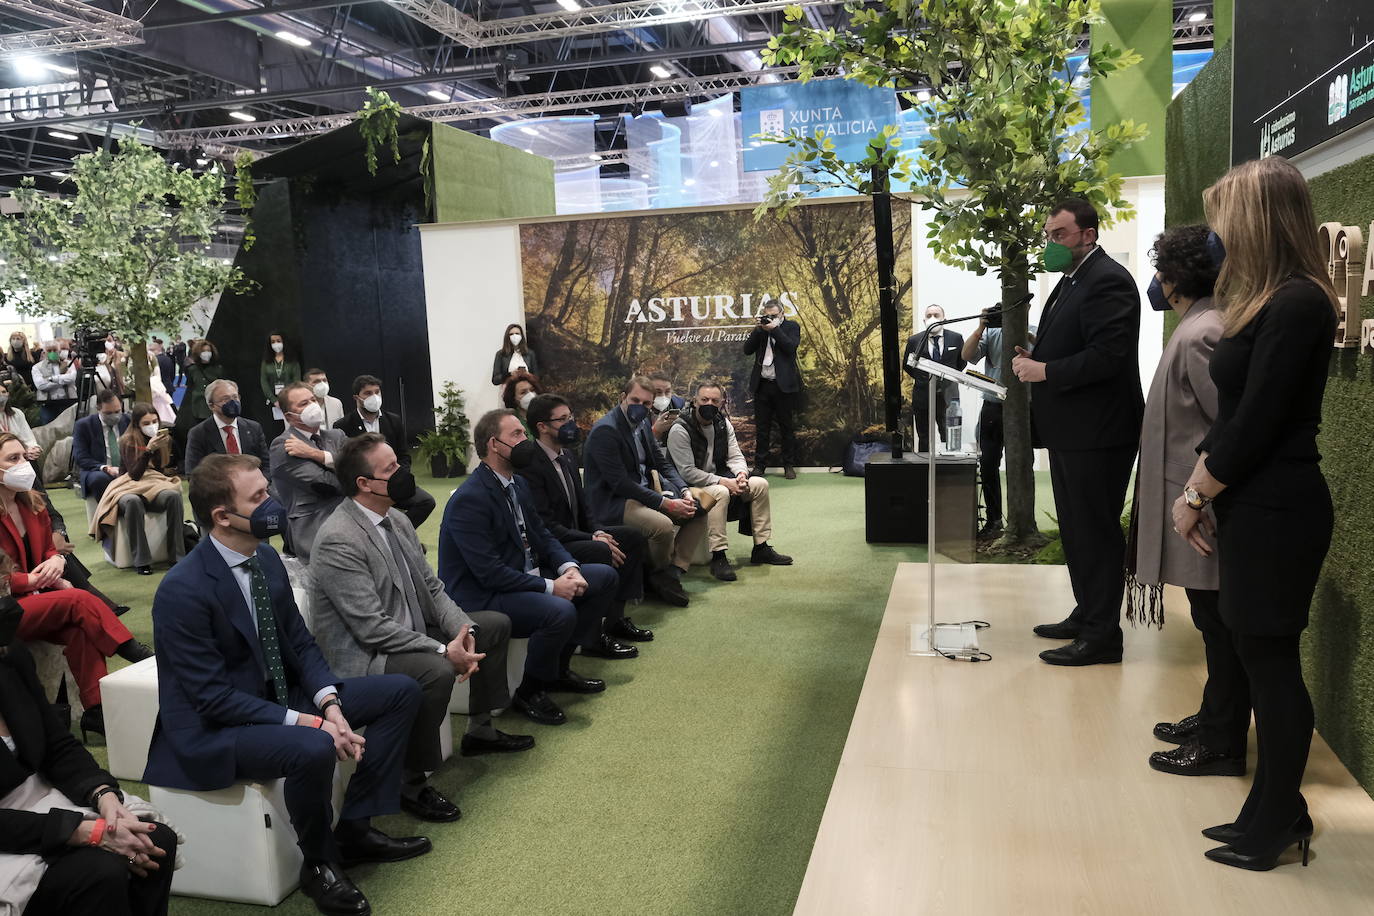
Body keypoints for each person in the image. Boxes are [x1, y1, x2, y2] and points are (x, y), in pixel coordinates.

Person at [145, 454, 435, 916]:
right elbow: (211, 697)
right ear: (222, 517)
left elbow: (299, 642)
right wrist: (309, 722)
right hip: (214, 727)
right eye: (259, 497)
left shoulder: (264, 558)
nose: (273, 503)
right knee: (311, 747)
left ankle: (355, 827)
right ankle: (319, 864)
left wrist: (331, 705)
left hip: (275, 696)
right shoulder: (182, 590)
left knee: (400, 691)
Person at [1172, 157, 1338, 872]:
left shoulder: (1301, 303)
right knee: (1255, 653)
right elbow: (1235, 413)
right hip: (1254, 506)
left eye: (1225, 219)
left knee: (1271, 664)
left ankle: (1278, 817)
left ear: (1258, 220)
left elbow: (1261, 420)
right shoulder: (1267, 301)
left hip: (1279, 508)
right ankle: (1274, 805)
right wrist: (1206, 485)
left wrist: (1194, 493)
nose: (1218, 236)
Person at [311, 433, 534, 817]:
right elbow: (371, 627)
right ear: (364, 484)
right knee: (436, 669)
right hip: (369, 654)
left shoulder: (395, 518)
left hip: (412, 630)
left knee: (491, 625)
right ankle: (410, 782)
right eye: (391, 469)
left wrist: (463, 632)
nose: (403, 474)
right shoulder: (338, 539)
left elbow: (432, 588)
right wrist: (442, 649)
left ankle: (480, 728)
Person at [1125, 226, 1241, 780]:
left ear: (1172, 278)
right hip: (1191, 502)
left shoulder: (1202, 333)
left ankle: (1222, 740)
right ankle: (1215, 718)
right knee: (1209, 619)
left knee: (1219, 623)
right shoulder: (1198, 325)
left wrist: (1195, 497)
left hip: (1202, 508)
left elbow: (1226, 428)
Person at [1015, 198, 1143, 666]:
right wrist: (1036, 355)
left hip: (1100, 432)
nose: (1051, 243)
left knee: (1095, 531)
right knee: (1077, 529)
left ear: (1088, 234)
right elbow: (1077, 343)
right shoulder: (1074, 279)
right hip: (1075, 430)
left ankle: (1102, 636)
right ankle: (1088, 613)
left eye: (1060, 235)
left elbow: (1109, 356)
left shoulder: (1108, 280)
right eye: (1048, 235)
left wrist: (1045, 370)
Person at [438, 409, 619, 727]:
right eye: (517, 435)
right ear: (494, 445)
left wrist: (568, 567)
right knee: (559, 611)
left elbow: (543, 535)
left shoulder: (517, 485)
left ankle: (558, 670)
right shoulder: (470, 498)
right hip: (482, 594)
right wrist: (552, 587)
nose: (527, 441)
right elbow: (489, 573)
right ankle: (529, 691)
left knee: (602, 577)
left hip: (521, 577)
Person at [0, 634, 176, 916]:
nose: (8, 589)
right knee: (100, 872)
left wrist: (104, 796)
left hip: (34, 798)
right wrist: (83, 831)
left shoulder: (9, 652)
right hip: (10, 829)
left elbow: (56, 744)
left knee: (155, 840)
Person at [0, 432, 153, 741]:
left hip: (36, 600)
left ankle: (95, 712)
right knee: (75, 600)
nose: (23, 465)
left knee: (78, 629)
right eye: (12, 459)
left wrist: (55, 560)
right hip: (6, 607)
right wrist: (28, 580)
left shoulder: (33, 503)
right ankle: (132, 650)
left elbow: (46, 549)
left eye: (24, 457)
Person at [521, 394, 652, 654]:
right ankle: (591, 638)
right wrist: (592, 539)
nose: (571, 423)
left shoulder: (568, 456)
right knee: (602, 550)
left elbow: (584, 507)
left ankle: (615, 620)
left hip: (577, 534)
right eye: (563, 419)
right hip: (553, 543)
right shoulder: (531, 465)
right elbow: (544, 525)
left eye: (570, 417)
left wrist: (598, 531)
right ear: (542, 427)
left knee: (631, 538)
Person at [582, 376, 705, 607]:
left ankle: (672, 571)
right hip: (614, 501)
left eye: (647, 403)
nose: (641, 406)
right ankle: (655, 573)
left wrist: (684, 489)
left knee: (699, 509)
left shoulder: (642, 426)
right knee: (662, 527)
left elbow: (662, 463)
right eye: (635, 400)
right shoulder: (606, 430)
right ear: (623, 398)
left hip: (643, 492)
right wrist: (664, 503)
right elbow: (620, 484)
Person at [665, 381, 793, 582]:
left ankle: (761, 547)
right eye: (704, 399)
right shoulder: (680, 429)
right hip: (688, 489)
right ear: (695, 401)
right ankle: (719, 556)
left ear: (722, 402)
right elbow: (687, 472)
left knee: (759, 484)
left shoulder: (723, 424)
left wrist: (741, 474)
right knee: (721, 492)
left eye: (715, 400)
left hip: (720, 479)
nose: (709, 404)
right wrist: (725, 482)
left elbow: (735, 456)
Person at [87, 404, 187, 576]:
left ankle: (177, 556)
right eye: (147, 423)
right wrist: (149, 451)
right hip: (128, 485)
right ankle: (142, 560)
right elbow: (134, 474)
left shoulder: (163, 439)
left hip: (153, 484)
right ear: (137, 424)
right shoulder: (128, 440)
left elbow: (162, 469)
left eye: (155, 421)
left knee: (172, 496)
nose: (152, 425)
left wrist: (164, 449)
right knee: (133, 502)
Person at [962, 305, 1034, 539]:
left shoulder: (1034, 332)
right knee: (989, 463)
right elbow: (967, 356)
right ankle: (994, 521)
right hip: (993, 408)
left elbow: (1047, 354)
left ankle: (1022, 520)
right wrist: (982, 325)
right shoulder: (991, 334)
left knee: (1023, 462)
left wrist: (1026, 333)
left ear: (1027, 310)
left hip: (1024, 409)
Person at [334, 374, 436, 531]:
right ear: (356, 397)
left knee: (427, 501)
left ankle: (396, 532)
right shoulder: (343, 425)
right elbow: (346, 464)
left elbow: (404, 455)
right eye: (368, 393)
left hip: (393, 481)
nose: (374, 397)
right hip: (365, 486)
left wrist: (399, 478)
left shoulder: (393, 420)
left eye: (377, 392)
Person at [270, 382, 345, 563]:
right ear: (289, 416)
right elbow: (328, 485)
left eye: (313, 400)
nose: (312, 406)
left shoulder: (336, 436)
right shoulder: (283, 445)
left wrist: (316, 455)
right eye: (303, 404)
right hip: (316, 530)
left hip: (349, 521)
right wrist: (353, 476)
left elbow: (364, 468)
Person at [743, 300, 802, 479]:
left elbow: (790, 348)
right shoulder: (761, 330)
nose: (770, 318)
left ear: (782, 314)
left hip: (783, 386)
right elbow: (747, 350)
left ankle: (788, 465)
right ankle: (760, 465)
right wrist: (759, 329)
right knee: (762, 428)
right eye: (768, 315)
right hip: (763, 385)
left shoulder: (791, 326)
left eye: (774, 315)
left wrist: (775, 329)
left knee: (786, 427)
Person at [904, 304, 966, 453]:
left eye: (936, 315)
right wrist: (924, 379)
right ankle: (924, 469)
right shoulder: (914, 341)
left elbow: (962, 362)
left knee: (949, 435)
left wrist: (947, 379)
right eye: (929, 315)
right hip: (923, 395)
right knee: (924, 436)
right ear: (924, 320)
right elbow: (908, 366)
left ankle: (949, 468)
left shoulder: (956, 338)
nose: (933, 318)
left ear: (944, 319)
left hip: (948, 396)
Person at [185, 379, 271, 476]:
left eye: (235, 397)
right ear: (211, 405)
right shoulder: (199, 433)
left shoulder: (254, 428)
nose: (233, 402)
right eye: (225, 399)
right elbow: (193, 473)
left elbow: (266, 465)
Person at [72, 390, 130, 502]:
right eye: (108, 413)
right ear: (98, 409)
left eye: (117, 411)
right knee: (99, 479)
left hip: (127, 469)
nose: (114, 416)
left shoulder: (128, 421)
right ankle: (107, 511)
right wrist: (105, 468)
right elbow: (81, 457)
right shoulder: (83, 426)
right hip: (98, 471)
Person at [31, 340, 77, 425]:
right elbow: (41, 385)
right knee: (48, 430)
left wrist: (52, 379)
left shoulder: (68, 363)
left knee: (71, 427)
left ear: (59, 351)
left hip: (68, 402)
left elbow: (72, 378)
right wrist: (62, 379)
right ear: (44, 352)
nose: (52, 352)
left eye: (55, 350)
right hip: (48, 405)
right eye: (49, 350)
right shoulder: (37, 367)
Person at [260, 333, 302, 423]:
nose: (276, 344)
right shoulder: (266, 362)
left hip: (290, 401)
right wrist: (274, 400)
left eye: (278, 341)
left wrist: (288, 399)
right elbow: (264, 381)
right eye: (273, 342)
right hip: (273, 401)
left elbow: (296, 381)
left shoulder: (292, 361)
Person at [182, 339, 224, 428]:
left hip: (215, 406)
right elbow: (190, 386)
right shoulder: (192, 369)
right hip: (198, 406)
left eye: (208, 351)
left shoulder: (218, 369)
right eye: (204, 351)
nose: (206, 353)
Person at [647, 371, 686, 445]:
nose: (663, 396)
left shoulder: (679, 405)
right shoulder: (639, 409)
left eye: (667, 391)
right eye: (658, 392)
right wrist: (655, 431)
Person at [501, 372, 541, 437]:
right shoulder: (510, 423)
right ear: (513, 398)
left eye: (532, 390)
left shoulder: (546, 415)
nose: (530, 395)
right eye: (523, 392)